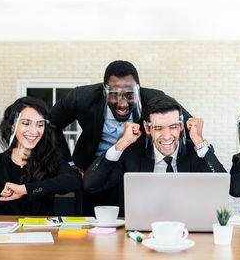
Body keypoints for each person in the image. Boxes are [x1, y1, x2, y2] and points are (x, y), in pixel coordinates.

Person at [50, 60, 191, 215]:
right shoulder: (81, 98)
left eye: (130, 95)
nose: (123, 104)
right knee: (92, 221)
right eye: (115, 95)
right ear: (104, 90)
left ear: (138, 90)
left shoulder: (154, 98)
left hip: (135, 168)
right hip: (94, 168)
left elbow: (187, 126)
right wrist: (67, 164)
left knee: (134, 217)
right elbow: (50, 123)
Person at [82, 95, 226, 216]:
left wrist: (199, 141)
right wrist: (121, 144)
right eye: (158, 128)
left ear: (181, 126)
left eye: (173, 126)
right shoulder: (132, 155)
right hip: (144, 235)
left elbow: (222, 188)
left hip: (190, 232)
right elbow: (90, 184)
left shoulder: (198, 152)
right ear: (147, 128)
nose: (167, 136)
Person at [0, 97, 81, 215]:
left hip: (42, 235)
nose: (33, 131)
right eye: (26, 123)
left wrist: (26, 189)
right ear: (12, 126)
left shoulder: (52, 160)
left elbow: (73, 180)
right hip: (4, 236)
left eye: (40, 125)